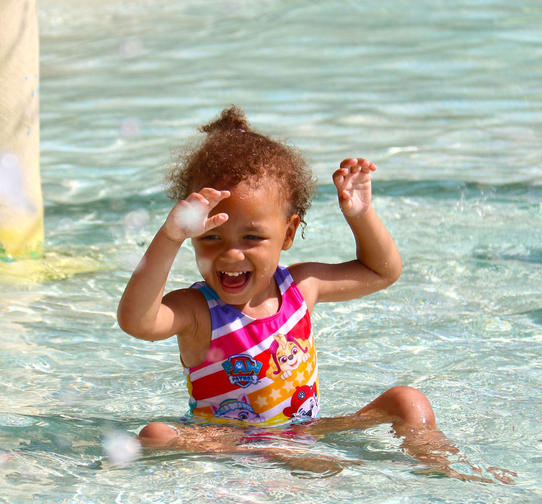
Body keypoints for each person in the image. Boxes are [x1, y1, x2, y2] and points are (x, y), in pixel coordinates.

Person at [117, 106, 513, 482]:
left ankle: (445, 467)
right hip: (230, 440)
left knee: (408, 401)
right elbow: (137, 322)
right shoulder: (199, 310)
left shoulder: (300, 287)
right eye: (211, 237)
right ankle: (278, 458)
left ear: (288, 233)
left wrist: (360, 216)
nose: (231, 253)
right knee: (156, 435)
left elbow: (383, 272)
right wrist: (168, 237)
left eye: (252, 237)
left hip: (306, 430)